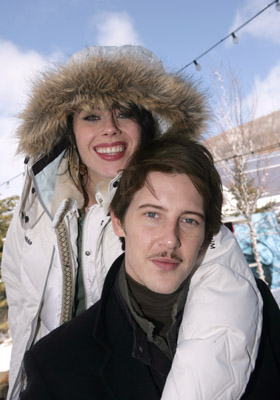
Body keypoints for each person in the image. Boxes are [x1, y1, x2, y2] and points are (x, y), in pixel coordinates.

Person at [2, 45, 262, 399]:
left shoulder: (182, 207)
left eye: (123, 113)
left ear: (146, 123)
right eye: (91, 117)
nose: (109, 129)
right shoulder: (36, 207)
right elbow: (23, 311)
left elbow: (219, 338)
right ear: (71, 130)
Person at [19, 134, 280, 400]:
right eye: (152, 215)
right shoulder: (55, 362)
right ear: (119, 222)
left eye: (189, 220)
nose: (170, 238)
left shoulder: (257, 307)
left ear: (205, 237)